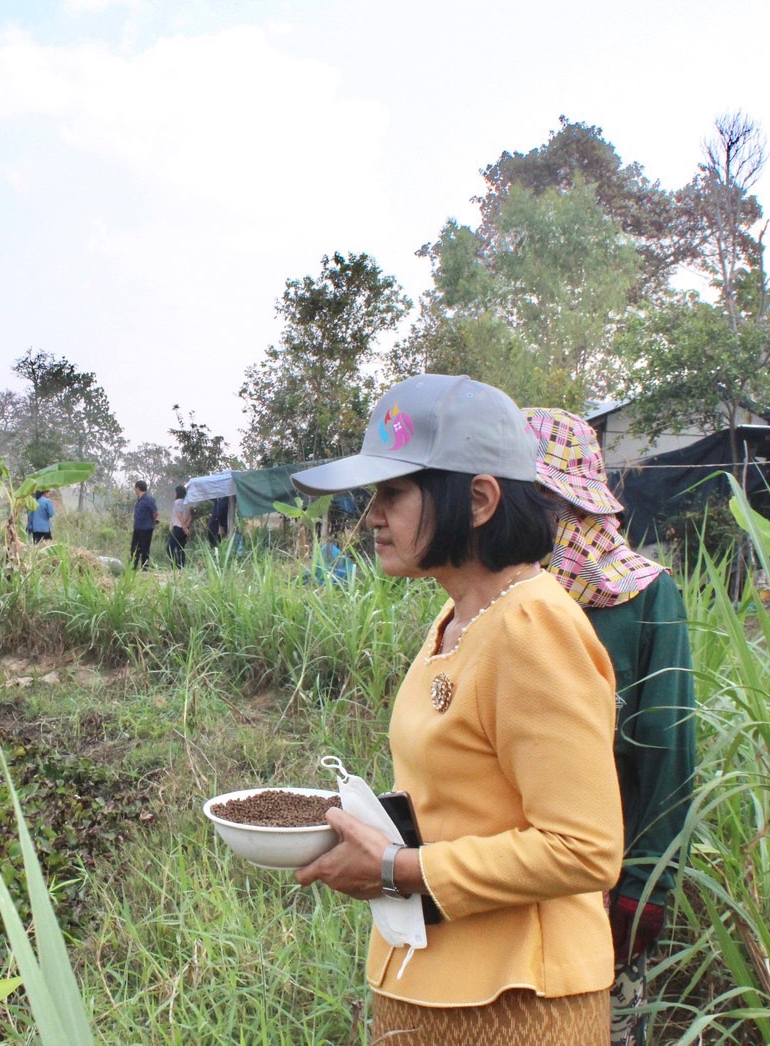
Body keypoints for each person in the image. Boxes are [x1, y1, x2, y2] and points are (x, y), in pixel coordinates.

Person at [291, 374, 623, 1044]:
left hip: (514, 1002)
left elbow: (583, 849)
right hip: (431, 982)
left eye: (394, 493)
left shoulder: (531, 627)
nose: (372, 515)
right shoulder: (458, 615)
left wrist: (393, 868)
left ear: (477, 499)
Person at [523, 407, 697, 1046]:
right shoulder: (505, 595)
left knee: (600, 1026)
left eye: (532, 493)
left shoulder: (644, 596)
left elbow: (665, 745)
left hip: (603, 873)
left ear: (563, 500)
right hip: (508, 869)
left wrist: (645, 884)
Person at [130, 479, 159, 570]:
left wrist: (153, 522)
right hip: (138, 528)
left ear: (137, 488)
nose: (134, 490)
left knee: (144, 549)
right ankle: (133, 568)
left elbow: (155, 512)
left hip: (146, 529)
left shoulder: (148, 499)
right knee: (134, 549)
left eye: (135, 488)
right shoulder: (140, 499)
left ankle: (144, 569)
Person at [167, 483, 192, 567]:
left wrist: (184, 527)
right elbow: (191, 516)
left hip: (178, 527)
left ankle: (174, 566)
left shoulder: (177, 502)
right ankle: (181, 567)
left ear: (178, 493)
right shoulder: (188, 503)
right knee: (180, 548)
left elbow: (179, 515)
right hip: (184, 528)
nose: (174, 494)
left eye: (175, 492)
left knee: (169, 547)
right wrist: (186, 527)